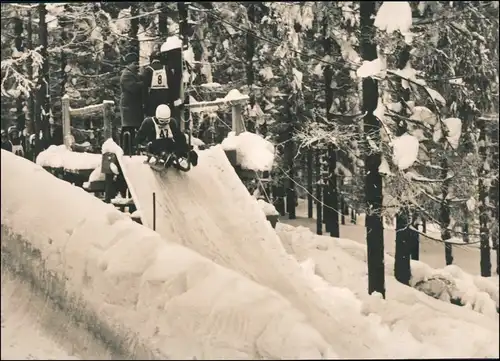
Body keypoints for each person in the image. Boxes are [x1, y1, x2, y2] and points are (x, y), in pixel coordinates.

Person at [119, 52, 144, 155]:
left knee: (132, 129)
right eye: (135, 63)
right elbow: (133, 87)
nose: (137, 65)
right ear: (129, 64)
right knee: (128, 128)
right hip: (128, 107)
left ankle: (132, 150)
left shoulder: (132, 74)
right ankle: (127, 150)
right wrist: (144, 83)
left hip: (133, 106)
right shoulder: (126, 75)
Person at [143, 50, 171, 118]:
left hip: (153, 95)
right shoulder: (166, 68)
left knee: (153, 115)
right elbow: (171, 83)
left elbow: (144, 86)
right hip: (164, 94)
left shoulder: (148, 69)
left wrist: (144, 100)